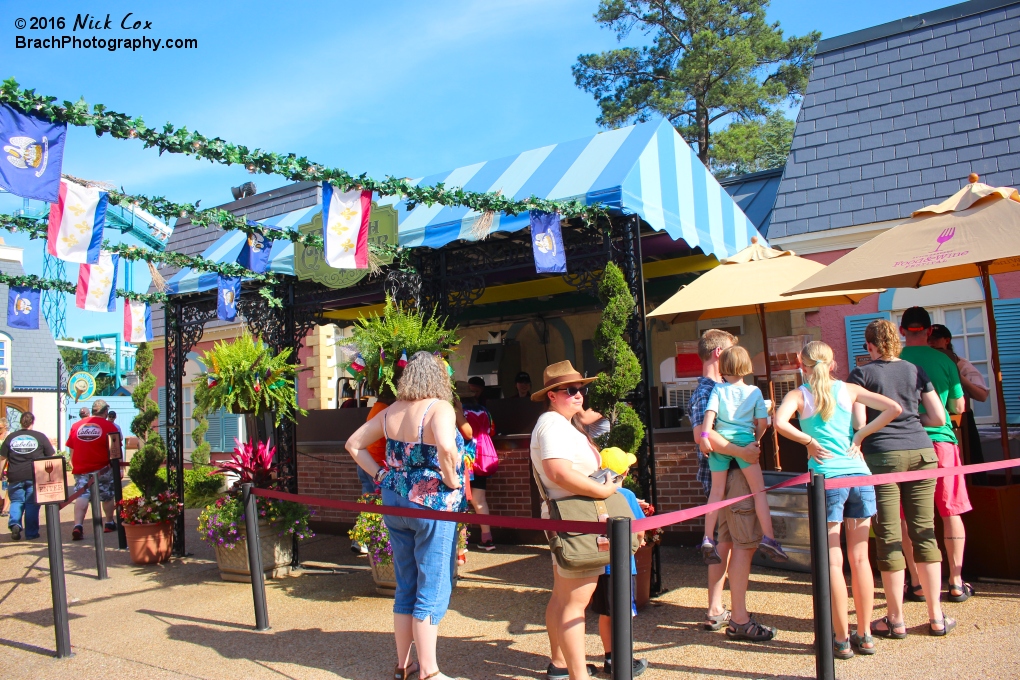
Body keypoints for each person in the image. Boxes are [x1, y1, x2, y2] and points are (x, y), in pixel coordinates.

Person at [774, 342, 902, 658]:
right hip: (859, 475)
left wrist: (808, 440)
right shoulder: (848, 389)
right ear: (832, 364)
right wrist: (860, 436)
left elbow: (779, 423)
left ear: (800, 364)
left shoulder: (798, 395)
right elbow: (894, 408)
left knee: (833, 559)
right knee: (861, 558)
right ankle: (866, 633)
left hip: (827, 479)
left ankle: (842, 638)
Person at [346, 351, 466, 680]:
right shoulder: (439, 408)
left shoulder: (391, 411)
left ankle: (404, 665)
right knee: (433, 584)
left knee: (406, 585)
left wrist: (380, 476)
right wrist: (452, 479)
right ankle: (429, 671)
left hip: (393, 500)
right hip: (431, 505)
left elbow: (353, 444)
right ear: (438, 377)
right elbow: (444, 444)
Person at [847, 319, 956, 637]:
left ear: (869, 346)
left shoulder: (862, 375)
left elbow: (859, 421)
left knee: (889, 536)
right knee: (925, 533)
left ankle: (895, 619)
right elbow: (938, 416)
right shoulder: (914, 370)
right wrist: (911, 417)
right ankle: (936, 616)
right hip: (922, 452)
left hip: (883, 458)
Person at [530, 360, 618, 680]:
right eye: (571, 390)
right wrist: (603, 489)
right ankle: (577, 675)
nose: (579, 395)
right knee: (575, 601)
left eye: (581, 388)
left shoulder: (558, 424)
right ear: (551, 395)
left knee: (564, 596)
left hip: (568, 515)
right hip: (575, 517)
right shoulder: (553, 425)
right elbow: (558, 472)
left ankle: (560, 664)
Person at [688, 329, 774, 641]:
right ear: (718, 354)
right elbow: (704, 439)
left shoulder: (717, 390)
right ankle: (739, 617)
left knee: (724, 544)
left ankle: (715, 610)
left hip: (721, 478)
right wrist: (744, 449)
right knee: (744, 545)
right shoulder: (711, 390)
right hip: (734, 476)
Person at [898, 308, 973, 604]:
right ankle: (955, 581)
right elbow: (958, 405)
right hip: (942, 442)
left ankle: (916, 582)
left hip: (904, 442)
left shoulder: (894, 362)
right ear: (930, 332)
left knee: (907, 516)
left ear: (902, 330)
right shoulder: (944, 360)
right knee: (950, 510)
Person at [700, 345, 788, 564]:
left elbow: (710, 415)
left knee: (716, 492)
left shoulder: (718, 390)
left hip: (721, 443)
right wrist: (755, 440)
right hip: (745, 441)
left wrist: (704, 435)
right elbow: (763, 423)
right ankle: (769, 537)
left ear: (723, 367)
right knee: (758, 492)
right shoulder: (755, 392)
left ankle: (708, 537)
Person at [66, 399, 121, 541]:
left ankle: (78, 525)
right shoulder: (109, 426)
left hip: (82, 468)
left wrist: (72, 462)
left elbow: (71, 447)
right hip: (102, 468)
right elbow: (115, 451)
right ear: (105, 412)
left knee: (82, 495)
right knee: (107, 495)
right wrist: (119, 467)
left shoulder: (77, 426)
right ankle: (109, 522)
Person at [351, 393, 396, 555]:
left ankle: (361, 539)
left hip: (365, 460)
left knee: (368, 501)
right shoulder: (387, 411)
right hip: (377, 464)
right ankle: (372, 540)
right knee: (379, 502)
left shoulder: (376, 408)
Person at [0, 412, 55, 540]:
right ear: (32, 422)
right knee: (31, 504)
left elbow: (2, 458)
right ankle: (31, 533)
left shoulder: (11, 437)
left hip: (15, 474)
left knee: (17, 501)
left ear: (21, 422)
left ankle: (14, 523)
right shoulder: (40, 437)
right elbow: (51, 456)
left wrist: (1, 472)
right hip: (34, 475)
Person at [462, 395, 496, 551]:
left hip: (465, 458)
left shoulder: (459, 411)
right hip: (482, 457)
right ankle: (487, 539)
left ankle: (461, 545)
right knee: (480, 501)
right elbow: (492, 430)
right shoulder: (485, 411)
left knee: (460, 502)